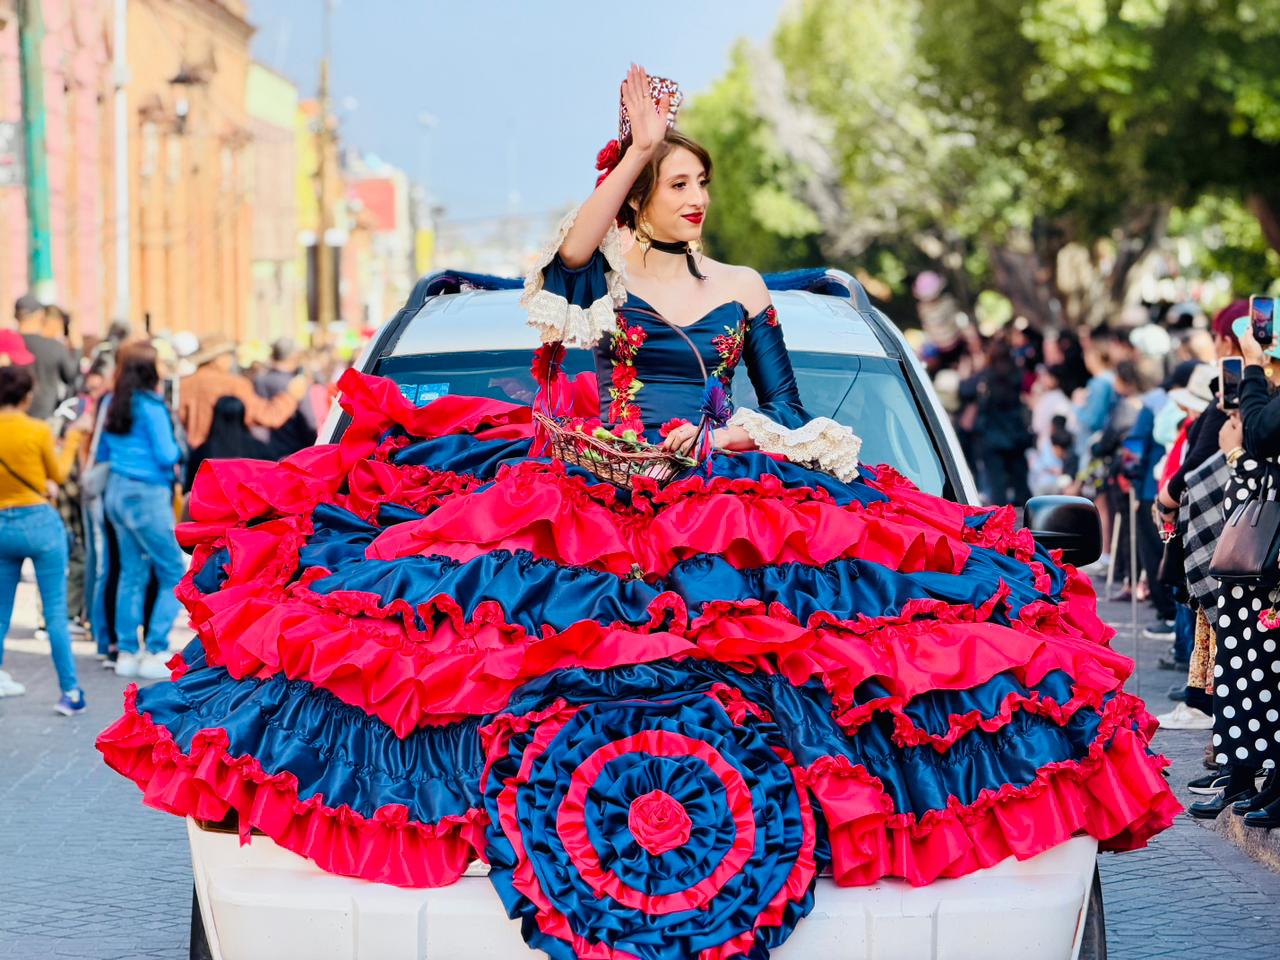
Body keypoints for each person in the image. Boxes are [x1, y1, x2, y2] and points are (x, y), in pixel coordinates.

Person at [97, 67, 1177, 958]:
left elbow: (785, 411)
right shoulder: (600, 288)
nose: (695, 197)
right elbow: (569, 257)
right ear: (638, 196)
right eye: (677, 182)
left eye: (702, 181)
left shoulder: (746, 288)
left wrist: (769, 441)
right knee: (460, 647)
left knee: (846, 653)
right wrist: (633, 151)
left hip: (723, 498)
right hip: (584, 498)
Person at [1188, 319, 1280, 826]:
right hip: (1257, 555)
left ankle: (1250, 774)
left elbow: (1262, 441)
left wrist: (1237, 451)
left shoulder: (1264, 398)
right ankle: (1243, 773)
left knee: (1258, 666)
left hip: (1265, 554)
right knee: (1243, 663)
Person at [0, 365, 87, 714]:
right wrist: (75, 438)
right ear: (27, 396)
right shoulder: (36, 429)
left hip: (2, 525)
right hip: (39, 523)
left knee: (0, 613)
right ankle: (70, 692)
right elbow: (59, 474)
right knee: (54, 614)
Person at [98, 343, 185, 681]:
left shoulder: (111, 401)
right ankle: (156, 647)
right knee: (173, 571)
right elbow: (167, 454)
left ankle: (126, 651)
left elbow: (103, 449)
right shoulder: (151, 406)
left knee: (131, 573)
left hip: (116, 491)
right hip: (147, 493)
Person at [177, 336, 304, 448]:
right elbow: (268, 416)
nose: (231, 360)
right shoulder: (234, 385)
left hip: (193, 458)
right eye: (229, 355)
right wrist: (291, 396)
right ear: (218, 358)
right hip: (223, 458)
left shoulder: (184, 383)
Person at [183, 395, 271, 493]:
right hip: (251, 502)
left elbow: (191, 490)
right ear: (242, 416)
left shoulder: (202, 452)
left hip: (214, 501)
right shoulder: (260, 450)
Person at [14, 294, 78, 421]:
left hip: (13, 419)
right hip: (45, 417)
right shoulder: (54, 346)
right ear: (39, 315)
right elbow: (71, 375)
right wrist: (77, 348)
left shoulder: (7, 344)